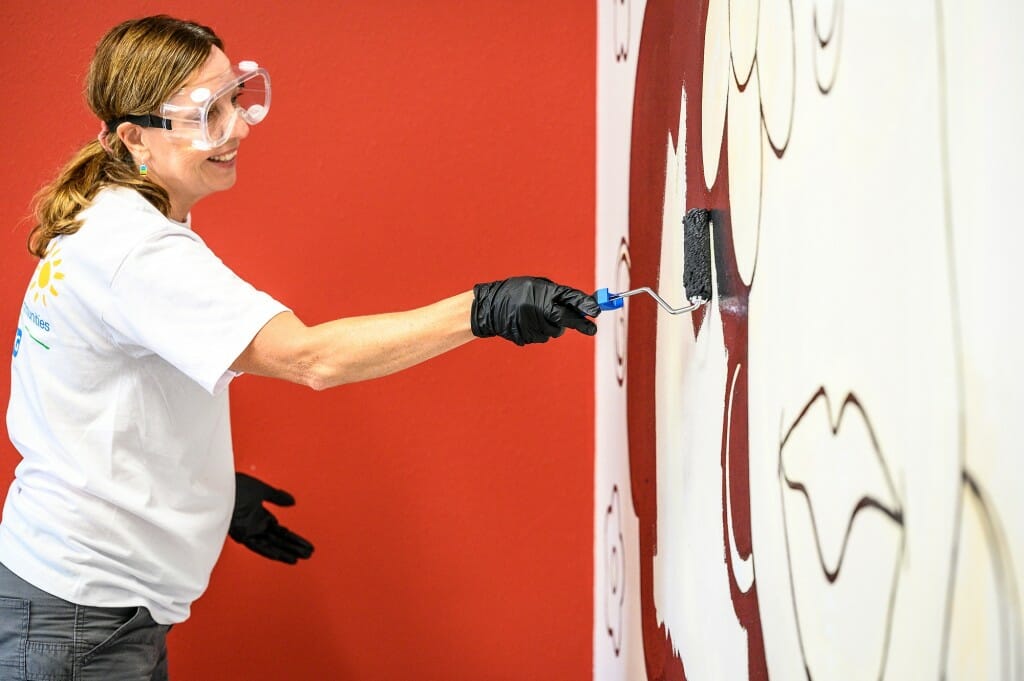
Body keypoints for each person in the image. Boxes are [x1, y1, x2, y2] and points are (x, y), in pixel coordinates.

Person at [0, 15, 600, 681]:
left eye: (238, 95)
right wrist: (481, 309)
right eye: (208, 112)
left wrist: (209, 491)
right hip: (82, 621)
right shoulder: (138, 252)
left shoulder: (110, 213)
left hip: (75, 602)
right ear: (135, 137)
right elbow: (311, 358)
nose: (240, 125)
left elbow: (96, 396)